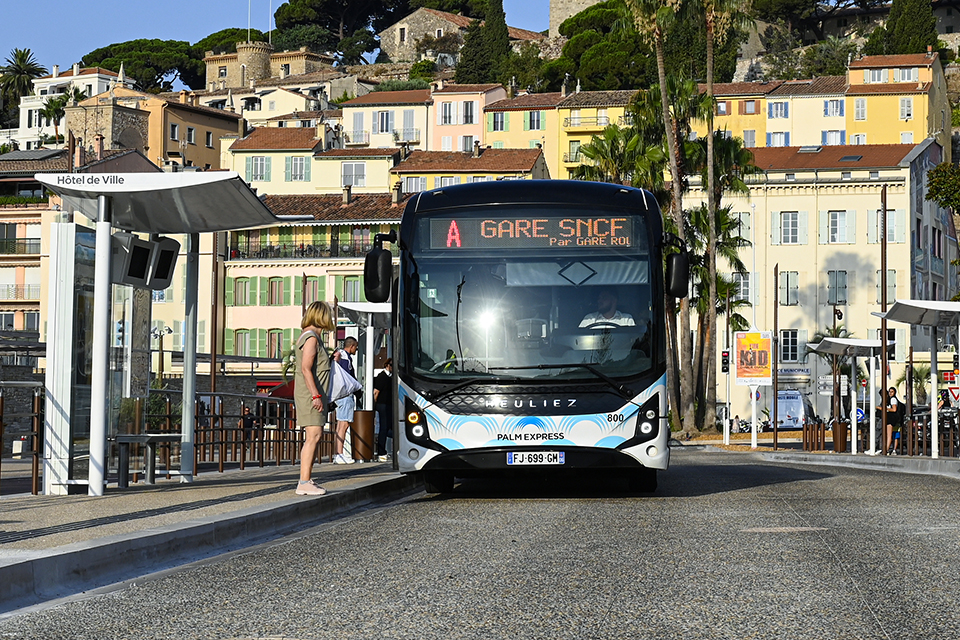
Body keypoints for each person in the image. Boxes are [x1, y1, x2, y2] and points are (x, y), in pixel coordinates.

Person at [293, 301, 336, 496]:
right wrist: (316, 395)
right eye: (329, 314)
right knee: (314, 436)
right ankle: (303, 482)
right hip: (311, 395)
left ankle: (306, 479)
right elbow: (306, 368)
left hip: (312, 394)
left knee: (314, 436)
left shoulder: (310, 336)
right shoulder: (311, 338)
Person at [333, 336, 360, 464]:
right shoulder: (345, 358)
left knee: (340, 424)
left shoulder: (340, 355)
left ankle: (338, 453)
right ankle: (339, 454)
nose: (356, 350)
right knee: (344, 424)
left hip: (339, 394)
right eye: (356, 347)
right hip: (345, 394)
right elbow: (348, 377)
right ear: (352, 346)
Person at [373, 359, 394, 462]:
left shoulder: (391, 377)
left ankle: (382, 450)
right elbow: (376, 392)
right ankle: (381, 451)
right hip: (383, 404)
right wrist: (375, 404)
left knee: (388, 427)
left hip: (389, 404)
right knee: (384, 427)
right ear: (387, 365)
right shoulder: (382, 376)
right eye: (391, 365)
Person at [884, 386, 902, 456]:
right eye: (889, 392)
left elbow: (894, 409)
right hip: (895, 419)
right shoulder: (891, 399)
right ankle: (892, 449)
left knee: (889, 435)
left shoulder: (893, 399)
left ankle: (886, 449)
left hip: (892, 419)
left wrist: (885, 408)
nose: (890, 393)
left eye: (892, 392)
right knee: (894, 435)